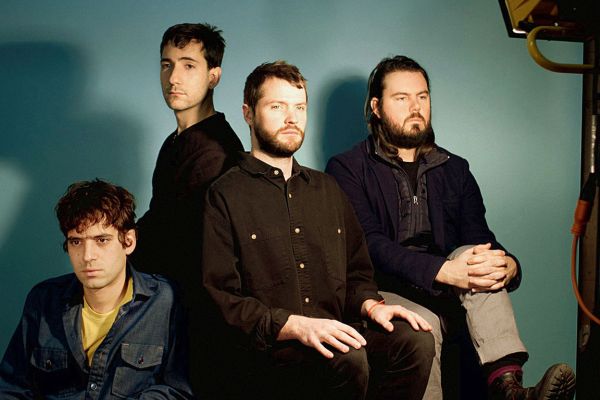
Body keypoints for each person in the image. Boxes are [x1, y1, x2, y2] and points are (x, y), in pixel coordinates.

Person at [325, 55, 576, 399]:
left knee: (477, 255)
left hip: (447, 284)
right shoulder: (347, 168)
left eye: (422, 96)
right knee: (424, 325)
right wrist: (443, 271)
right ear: (377, 108)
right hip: (385, 286)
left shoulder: (454, 168)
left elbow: (479, 238)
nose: (416, 107)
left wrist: (508, 265)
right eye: (402, 98)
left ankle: (509, 388)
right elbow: (370, 244)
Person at [202, 60, 435, 400]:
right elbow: (221, 298)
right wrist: (295, 325)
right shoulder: (224, 195)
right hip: (269, 350)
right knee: (347, 357)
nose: (291, 118)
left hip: (335, 332)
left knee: (414, 341)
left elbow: (357, 273)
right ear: (248, 114)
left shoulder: (328, 189)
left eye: (299, 107)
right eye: (277, 107)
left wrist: (372, 306)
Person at [0, 179, 192, 399]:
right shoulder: (44, 299)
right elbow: (11, 387)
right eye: (76, 242)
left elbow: (178, 390)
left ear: (128, 241)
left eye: (101, 240)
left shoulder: (164, 301)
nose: (87, 256)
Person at [132, 22, 244, 289]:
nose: (173, 78)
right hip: (158, 278)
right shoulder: (175, 141)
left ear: (213, 77)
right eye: (167, 65)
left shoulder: (216, 150)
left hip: (184, 293)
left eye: (188, 66)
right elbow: (158, 217)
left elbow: (183, 244)